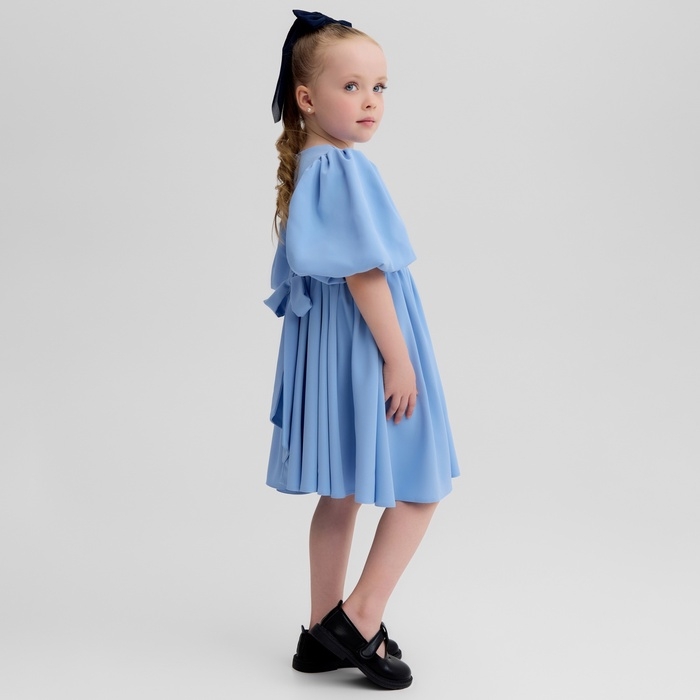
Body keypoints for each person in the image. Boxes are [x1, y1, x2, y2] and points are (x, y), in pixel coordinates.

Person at [264, 10, 460, 691]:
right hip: (368, 343)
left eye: (379, 87)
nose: (371, 100)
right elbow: (364, 273)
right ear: (307, 97)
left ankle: (321, 630)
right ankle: (360, 617)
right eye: (351, 86)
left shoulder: (313, 166)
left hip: (335, 346)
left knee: (342, 492)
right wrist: (397, 358)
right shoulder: (345, 168)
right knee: (422, 485)